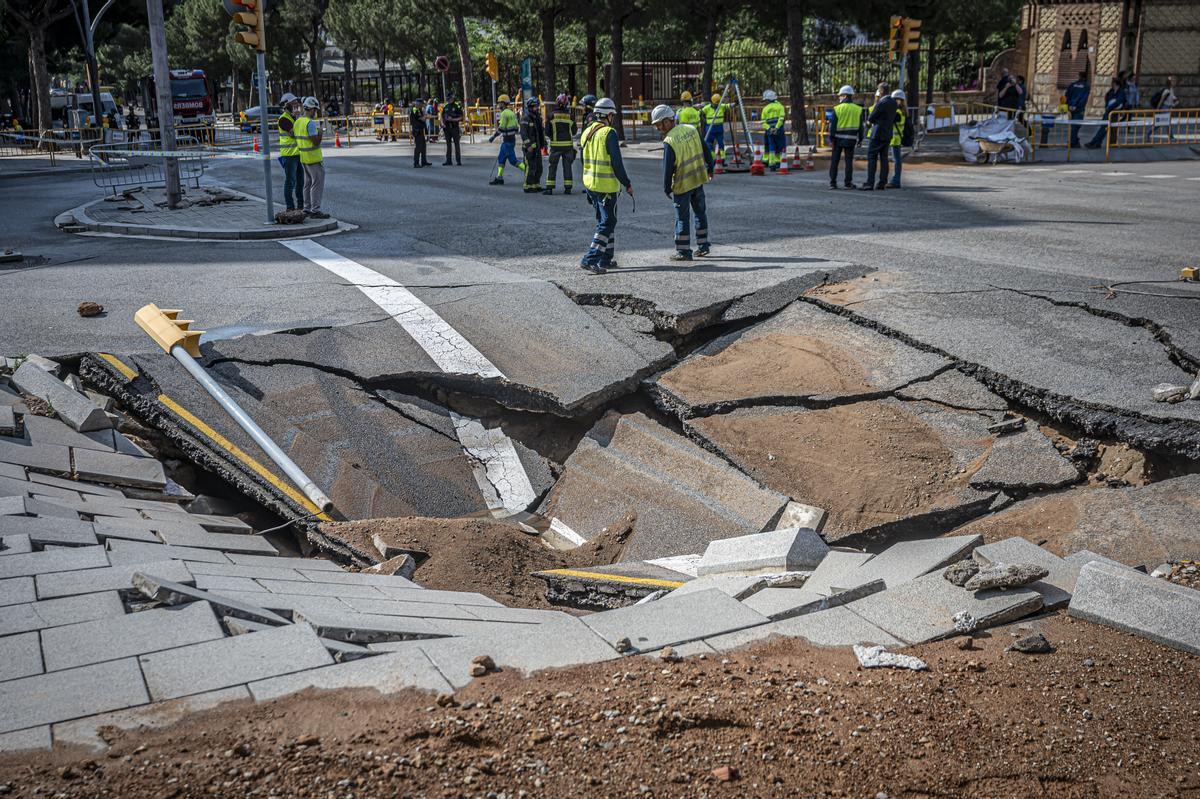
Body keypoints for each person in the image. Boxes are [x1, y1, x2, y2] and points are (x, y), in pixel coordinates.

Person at [651, 104, 714, 261]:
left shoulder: (669, 141)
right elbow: (706, 150)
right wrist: (710, 167)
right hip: (698, 179)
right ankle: (703, 245)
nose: (658, 128)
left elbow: (667, 168)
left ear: (668, 121)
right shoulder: (691, 129)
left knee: (682, 218)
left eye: (659, 124)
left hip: (682, 185)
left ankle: (684, 251)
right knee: (700, 213)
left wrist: (666, 188)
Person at [579, 97, 633, 275]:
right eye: (613, 116)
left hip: (591, 185)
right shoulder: (609, 133)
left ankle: (606, 258)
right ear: (609, 115)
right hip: (606, 187)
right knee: (608, 221)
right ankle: (590, 259)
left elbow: (583, 160)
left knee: (604, 221)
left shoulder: (587, 132)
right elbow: (617, 164)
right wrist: (627, 183)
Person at [293, 96, 329, 219]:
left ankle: (307, 208)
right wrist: (320, 132)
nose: (315, 112)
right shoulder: (310, 123)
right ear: (310, 109)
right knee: (316, 184)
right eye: (315, 110)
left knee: (307, 184)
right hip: (313, 158)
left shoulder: (298, 122)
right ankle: (315, 210)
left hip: (304, 157)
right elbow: (315, 142)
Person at [862, 83, 897, 191]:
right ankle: (882, 182)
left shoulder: (882, 102)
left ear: (881, 91)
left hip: (878, 133)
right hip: (888, 133)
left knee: (872, 157)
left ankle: (870, 182)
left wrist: (871, 121)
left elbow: (872, 117)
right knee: (884, 158)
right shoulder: (893, 102)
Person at [276, 92, 304, 212]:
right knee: (290, 182)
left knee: (300, 182)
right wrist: (298, 119)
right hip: (289, 155)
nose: (296, 106)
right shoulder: (283, 119)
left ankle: (301, 206)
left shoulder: (292, 118)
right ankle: (290, 207)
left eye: (296, 104)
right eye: (293, 104)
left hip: (298, 154)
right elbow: (294, 133)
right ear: (287, 105)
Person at [488, 94, 524, 185]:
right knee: (501, 158)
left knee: (513, 161)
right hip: (510, 140)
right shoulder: (511, 112)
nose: (498, 105)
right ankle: (499, 178)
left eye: (499, 103)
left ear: (503, 103)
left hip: (508, 141)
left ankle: (529, 172)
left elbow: (501, 128)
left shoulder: (504, 113)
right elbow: (516, 127)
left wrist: (493, 137)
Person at [544, 94, 576, 194]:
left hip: (555, 146)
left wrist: (553, 137)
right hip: (568, 146)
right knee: (567, 167)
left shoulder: (551, 115)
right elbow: (574, 131)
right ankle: (568, 188)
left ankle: (549, 189)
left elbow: (547, 131)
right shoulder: (570, 116)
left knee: (552, 166)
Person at [1086, 76, 1126, 149]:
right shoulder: (1111, 91)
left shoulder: (1121, 92)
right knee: (1103, 128)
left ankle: (1111, 144)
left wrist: (1110, 107)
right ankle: (1095, 142)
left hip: (1115, 113)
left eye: (1112, 82)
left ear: (1116, 84)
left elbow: (1119, 101)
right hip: (1108, 112)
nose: (1111, 84)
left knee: (1113, 129)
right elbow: (1107, 99)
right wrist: (1107, 106)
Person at [520, 97, 546, 193]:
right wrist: (528, 146)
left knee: (539, 167)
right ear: (530, 107)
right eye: (535, 106)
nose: (537, 108)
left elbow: (540, 132)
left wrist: (543, 144)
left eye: (537, 106)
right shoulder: (525, 118)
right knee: (530, 167)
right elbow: (523, 133)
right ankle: (528, 186)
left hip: (537, 147)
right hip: (529, 149)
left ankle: (536, 185)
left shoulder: (536, 118)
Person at [760, 89, 786, 171]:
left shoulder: (765, 109)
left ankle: (772, 164)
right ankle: (779, 162)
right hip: (779, 130)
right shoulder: (780, 107)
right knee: (780, 146)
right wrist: (776, 128)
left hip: (769, 131)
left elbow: (763, 122)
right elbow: (781, 119)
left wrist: (769, 129)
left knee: (771, 146)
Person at [1065, 71, 1091, 149]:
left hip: (1070, 108)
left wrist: (1069, 105)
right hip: (1079, 109)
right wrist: (1077, 106)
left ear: (1079, 76)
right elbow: (1084, 98)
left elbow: (1067, 95)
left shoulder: (1072, 85)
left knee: (1072, 125)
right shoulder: (1086, 86)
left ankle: (1075, 141)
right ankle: (1072, 142)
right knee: (1076, 125)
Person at [887, 89, 906, 189]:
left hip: (894, 139)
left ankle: (896, 180)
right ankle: (896, 180)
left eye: (895, 100)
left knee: (897, 161)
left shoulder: (897, 113)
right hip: (896, 139)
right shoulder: (902, 111)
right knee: (897, 160)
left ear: (899, 101)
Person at [702, 92, 728, 156]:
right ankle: (713, 158)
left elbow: (729, 105)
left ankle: (721, 158)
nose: (716, 105)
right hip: (711, 128)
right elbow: (701, 113)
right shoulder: (707, 108)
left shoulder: (721, 106)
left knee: (720, 144)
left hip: (715, 128)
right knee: (710, 144)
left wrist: (735, 103)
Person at [441, 93, 463, 165]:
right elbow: (442, 116)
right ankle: (448, 160)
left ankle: (458, 161)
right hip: (447, 128)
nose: (449, 99)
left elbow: (461, 117)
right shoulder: (445, 106)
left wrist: (453, 119)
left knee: (456, 144)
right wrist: (442, 123)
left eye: (450, 98)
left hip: (454, 127)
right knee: (448, 145)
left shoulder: (457, 106)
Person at [409, 98, 430, 167]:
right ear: (419, 104)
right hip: (417, 130)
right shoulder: (415, 110)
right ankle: (416, 163)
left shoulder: (419, 110)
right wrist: (425, 115)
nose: (423, 105)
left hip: (420, 130)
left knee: (423, 146)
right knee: (418, 147)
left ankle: (424, 162)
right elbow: (422, 118)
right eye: (422, 104)